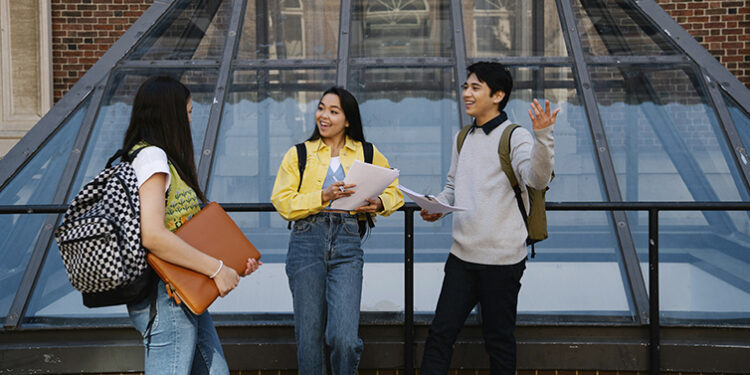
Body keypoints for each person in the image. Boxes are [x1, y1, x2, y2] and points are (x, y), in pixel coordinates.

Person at [419, 62, 559, 374]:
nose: (466, 93)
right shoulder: (463, 137)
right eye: (465, 87)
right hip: (461, 257)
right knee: (439, 335)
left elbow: (537, 179)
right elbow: (453, 186)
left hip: (503, 262)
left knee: (498, 341)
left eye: (474, 88)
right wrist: (437, 205)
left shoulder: (517, 137)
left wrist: (544, 137)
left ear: (497, 95)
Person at [123, 75, 261, 374]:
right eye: (186, 113)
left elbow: (184, 230)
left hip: (181, 293)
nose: (189, 120)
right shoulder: (151, 158)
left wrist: (231, 263)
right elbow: (154, 236)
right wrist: (216, 269)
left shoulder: (159, 158)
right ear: (170, 114)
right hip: (166, 295)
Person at [271, 86, 404, 374]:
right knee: (309, 338)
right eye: (321, 108)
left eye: (333, 111)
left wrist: (379, 203)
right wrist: (322, 196)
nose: (324, 116)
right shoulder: (299, 154)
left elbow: (396, 191)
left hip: (347, 244)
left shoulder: (366, 152)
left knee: (344, 338)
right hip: (306, 242)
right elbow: (282, 202)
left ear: (347, 120)